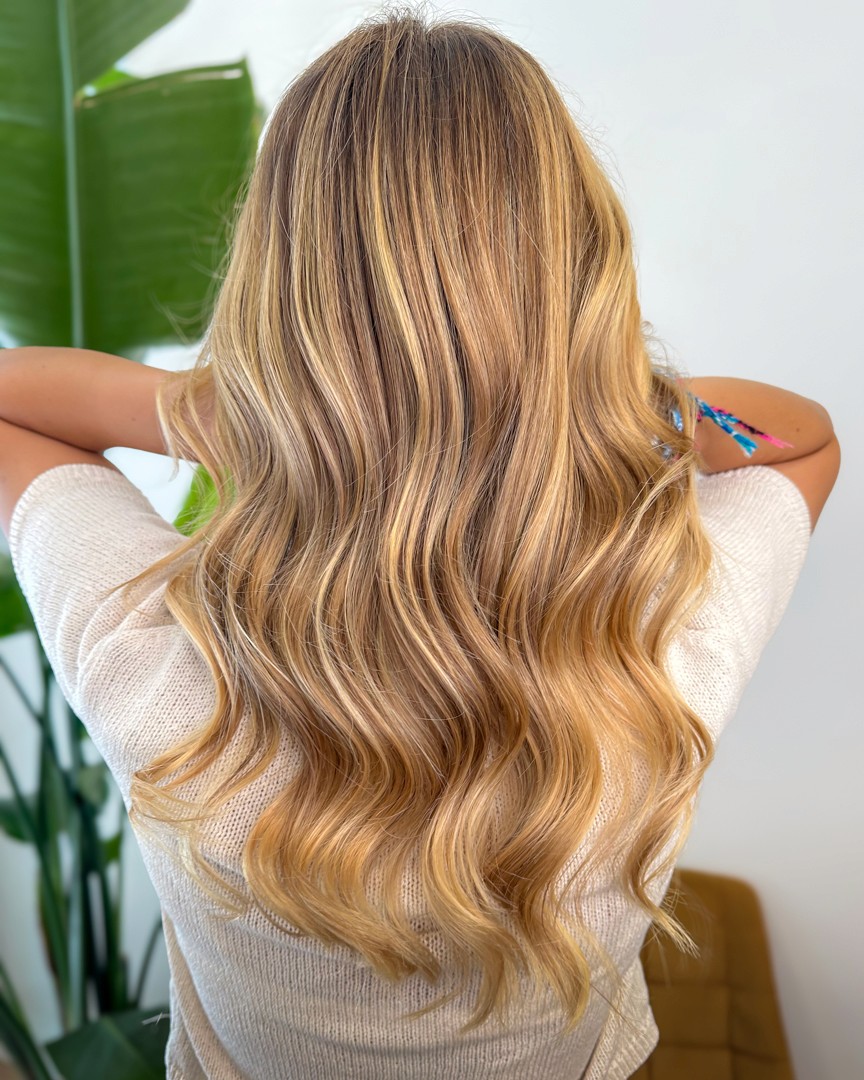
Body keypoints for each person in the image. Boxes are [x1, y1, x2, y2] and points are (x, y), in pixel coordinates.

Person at [0, 5, 840, 1078]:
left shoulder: (155, 669)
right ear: (574, 267)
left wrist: (205, 412)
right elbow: (799, 442)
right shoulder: (661, 650)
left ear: (277, 284)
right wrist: (599, 406)